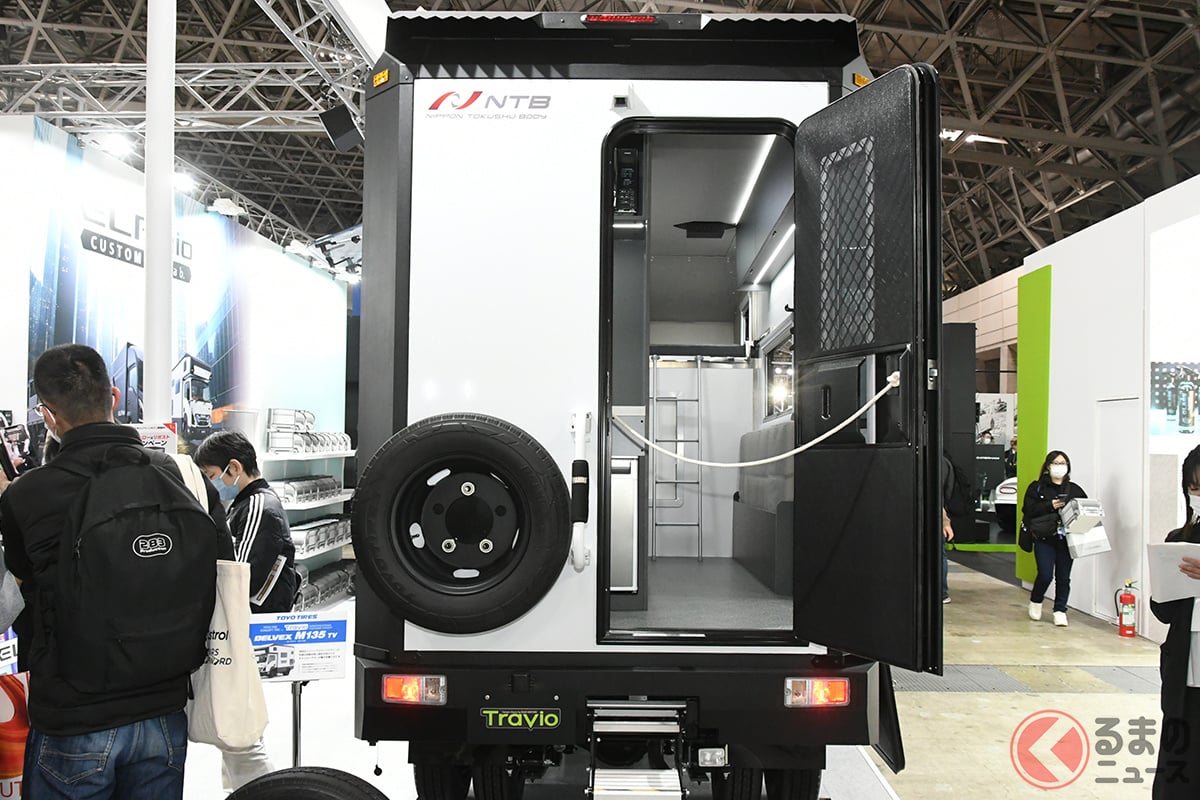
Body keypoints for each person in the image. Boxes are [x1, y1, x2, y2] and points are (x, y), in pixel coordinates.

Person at [0, 343, 234, 800]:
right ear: (113, 396)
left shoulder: (28, 495)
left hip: (75, 715)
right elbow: (220, 565)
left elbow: (17, 593)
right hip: (164, 709)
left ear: (48, 414)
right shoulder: (181, 476)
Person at [193, 430, 297, 790]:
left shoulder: (257, 507)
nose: (213, 484)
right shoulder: (247, 504)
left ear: (234, 468)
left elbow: (242, 575)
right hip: (245, 625)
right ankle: (243, 790)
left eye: (212, 475)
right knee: (235, 721)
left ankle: (262, 792)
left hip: (248, 626)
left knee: (240, 725)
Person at [1023, 450, 1087, 627]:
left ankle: (1060, 610)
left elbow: (1085, 508)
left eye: (1063, 463)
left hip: (1067, 539)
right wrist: (1049, 505)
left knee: (1063, 577)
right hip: (1044, 538)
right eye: (1056, 463)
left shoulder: (1074, 489)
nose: (1060, 467)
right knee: (1045, 574)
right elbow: (1028, 510)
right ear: (1048, 466)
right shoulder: (1037, 487)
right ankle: (1036, 600)